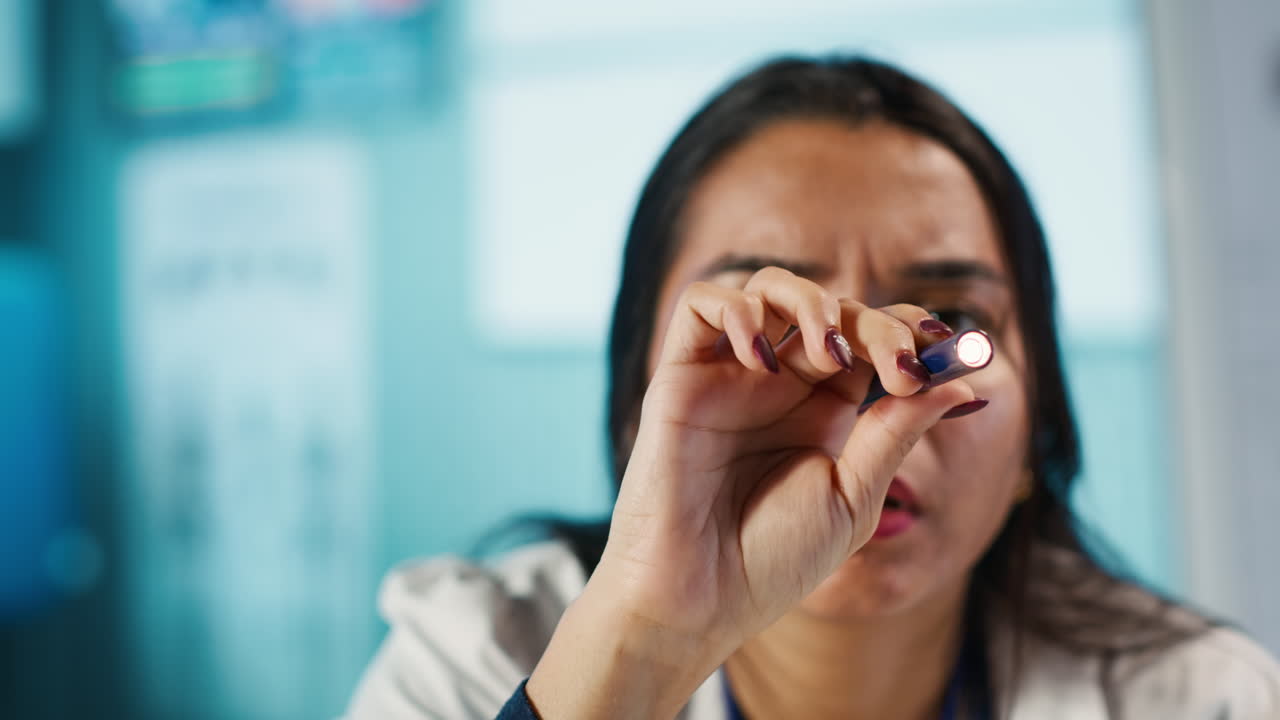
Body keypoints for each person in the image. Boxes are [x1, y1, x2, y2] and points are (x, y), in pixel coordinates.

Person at [344, 55, 1280, 719]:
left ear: (1041, 429)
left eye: (952, 325)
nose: (873, 388)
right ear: (643, 403)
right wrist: (644, 652)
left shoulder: (1203, 698)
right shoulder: (468, 668)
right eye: (775, 335)